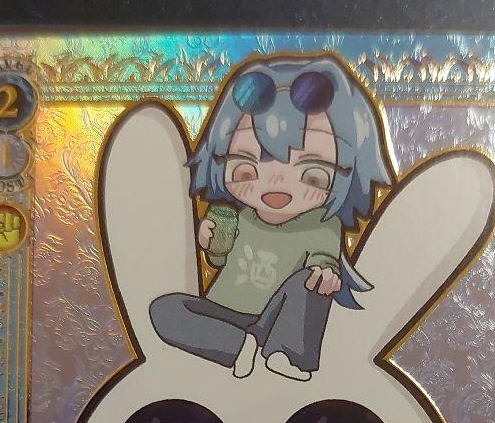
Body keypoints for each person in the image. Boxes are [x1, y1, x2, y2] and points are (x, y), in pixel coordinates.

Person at [149, 55, 392, 381]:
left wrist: (326, 274)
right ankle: (239, 347)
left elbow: (324, 261)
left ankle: (287, 355)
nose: (276, 183)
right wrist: (210, 241)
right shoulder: (239, 215)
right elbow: (219, 260)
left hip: (277, 322)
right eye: (247, 168)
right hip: (224, 316)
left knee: (308, 282)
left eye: (312, 173)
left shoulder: (322, 224)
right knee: (165, 310)